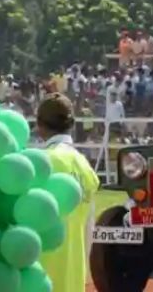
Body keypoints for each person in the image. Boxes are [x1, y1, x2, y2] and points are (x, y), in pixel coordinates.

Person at [37, 93, 100, 292]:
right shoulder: (85, 166)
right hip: (74, 278)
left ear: (40, 126)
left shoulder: (43, 162)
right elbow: (89, 231)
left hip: (40, 277)